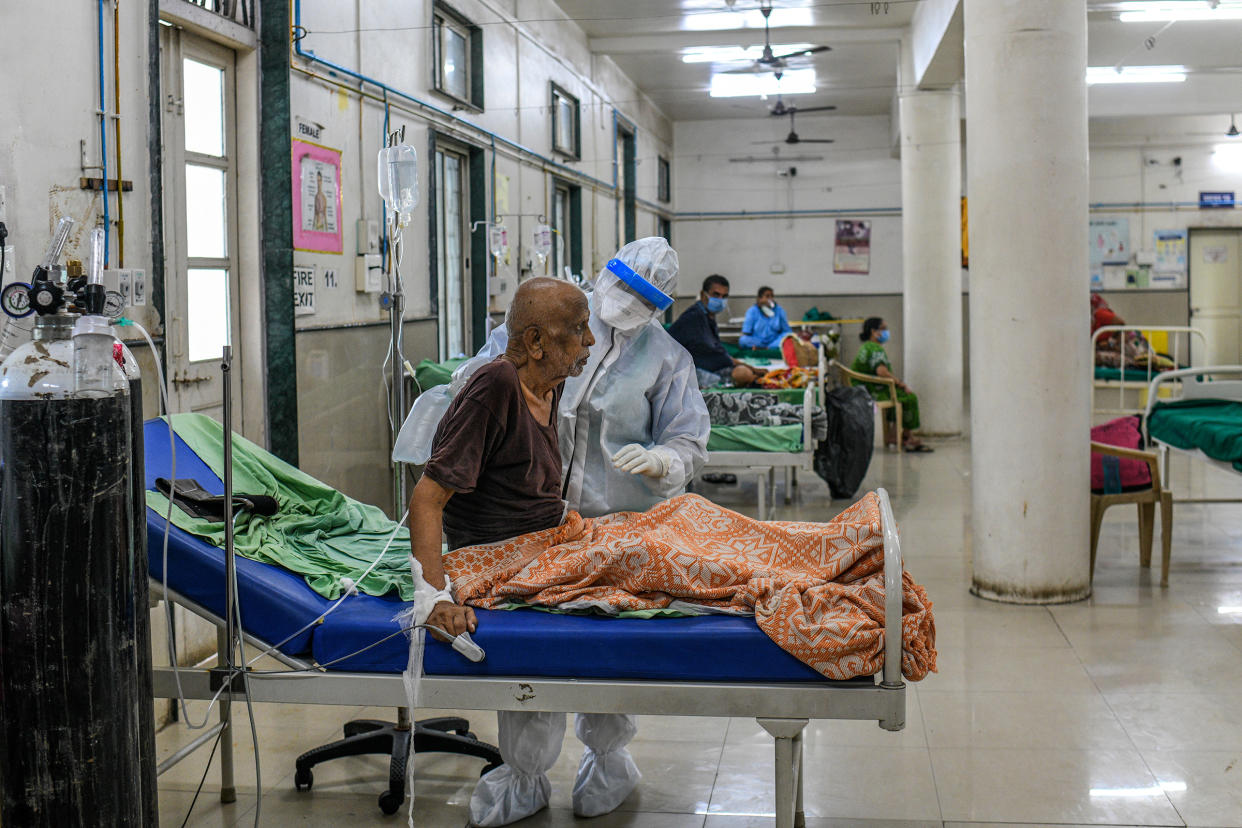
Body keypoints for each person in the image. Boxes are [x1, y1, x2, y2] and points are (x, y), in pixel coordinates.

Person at [397, 237, 711, 825]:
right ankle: (525, 774)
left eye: (641, 301)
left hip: (612, 517)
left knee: (605, 652)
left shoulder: (666, 358)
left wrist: (664, 460)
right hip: (528, 524)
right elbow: (495, 374)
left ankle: (609, 758)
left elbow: (689, 439)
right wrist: (433, 588)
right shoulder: (557, 319)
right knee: (536, 657)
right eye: (617, 291)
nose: (596, 334)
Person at [850, 317, 931, 452]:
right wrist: (900, 383)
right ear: (874, 331)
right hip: (872, 390)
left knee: (899, 395)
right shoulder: (875, 349)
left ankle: (894, 434)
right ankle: (905, 435)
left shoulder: (866, 347)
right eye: (883, 329)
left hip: (862, 388)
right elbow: (881, 372)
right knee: (909, 397)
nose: (887, 332)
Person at [667, 274, 758, 388]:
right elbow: (713, 353)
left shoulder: (707, 317)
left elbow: (719, 351)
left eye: (724, 296)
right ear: (703, 295)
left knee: (745, 371)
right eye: (716, 295)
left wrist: (751, 368)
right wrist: (750, 369)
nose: (720, 300)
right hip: (688, 373)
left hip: (706, 366)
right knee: (743, 374)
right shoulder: (694, 318)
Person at [739, 285, 792, 350]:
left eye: (772, 296)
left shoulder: (779, 310)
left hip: (774, 341)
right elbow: (746, 332)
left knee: (788, 338)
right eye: (767, 296)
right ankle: (762, 347)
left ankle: (766, 348)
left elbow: (787, 331)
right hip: (758, 341)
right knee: (743, 340)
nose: (771, 299)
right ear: (759, 299)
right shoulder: (752, 311)